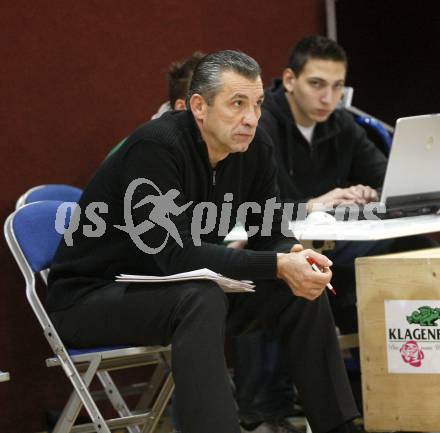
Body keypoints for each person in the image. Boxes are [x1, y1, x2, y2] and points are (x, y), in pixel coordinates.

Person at [48, 50, 359, 433]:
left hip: (176, 291)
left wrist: (292, 256)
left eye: (258, 104)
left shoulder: (255, 148)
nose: (251, 117)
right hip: (92, 298)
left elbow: (270, 233)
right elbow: (174, 254)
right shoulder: (156, 148)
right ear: (199, 106)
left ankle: (339, 428)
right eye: (237, 104)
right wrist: (277, 265)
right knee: (200, 295)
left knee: (300, 291)